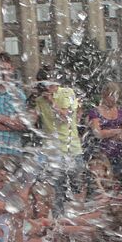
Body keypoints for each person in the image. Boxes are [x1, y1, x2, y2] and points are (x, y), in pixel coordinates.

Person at [33, 68, 84, 205]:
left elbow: (66, 116)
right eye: (42, 85)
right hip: (52, 153)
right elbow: (31, 120)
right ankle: (58, 221)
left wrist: (51, 102)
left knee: (77, 189)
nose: (46, 87)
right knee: (56, 193)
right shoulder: (39, 100)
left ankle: (78, 220)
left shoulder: (68, 93)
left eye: (48, 83)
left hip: (71, 149)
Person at [87, 82, 122, 170]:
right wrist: (116, 131)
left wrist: (107, 132)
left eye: (116, 96)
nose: (114, 99)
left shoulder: (121, 112)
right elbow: (98, 133)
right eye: (111, 96)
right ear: (104, 96)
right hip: (102, 156)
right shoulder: (95, 112)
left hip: (120, 154)